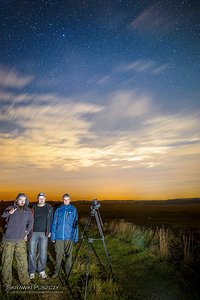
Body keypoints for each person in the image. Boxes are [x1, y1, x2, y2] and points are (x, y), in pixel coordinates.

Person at [1, 193, 33, 288]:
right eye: (20, 199)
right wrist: (9, 213)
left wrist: (26, 233)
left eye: (24, 199)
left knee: (22, 261)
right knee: (6, 262)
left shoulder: (28, 211)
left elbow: (31, 223)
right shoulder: (11, 207)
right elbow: (3, 215)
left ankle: (25, 282)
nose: (22, 201)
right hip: (8, 240)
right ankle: (6, 284)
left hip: (20, 240)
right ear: (16, 200)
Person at [51, 193, 78, 278]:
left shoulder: (73, 209)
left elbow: (75, 224)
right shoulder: (59, 209)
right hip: (59, 237)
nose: (66, 201)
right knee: (58, 255)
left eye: (68, 199)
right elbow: (54, 223)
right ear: (63, 200)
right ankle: (56, 272)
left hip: (68, 236)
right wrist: (53, 236)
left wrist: (75, 237)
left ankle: (68, 272)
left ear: (70, 200)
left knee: (68, 255)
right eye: (64, 199)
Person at [28, 192, 54, 279]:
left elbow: (51, 220)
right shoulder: (33, 207)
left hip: (44, 233)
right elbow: (28, 220)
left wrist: (50, 231)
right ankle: (32, 271)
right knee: (32, 253)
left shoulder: (49, 208)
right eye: (39, 198)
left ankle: (41, 270)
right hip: (33, 233)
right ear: (37, 198)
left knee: (43, 253)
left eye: (42, 198)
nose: (41, 199)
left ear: (45, 198)